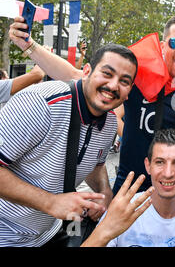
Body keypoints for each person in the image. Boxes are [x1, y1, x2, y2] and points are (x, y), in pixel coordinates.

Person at [2, 20, 138, 246]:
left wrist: (104, 190)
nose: (113, 86)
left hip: (47, 233)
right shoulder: (41, 103)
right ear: (86, 72)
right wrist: (51, 203)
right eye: (107, 73)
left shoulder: (111, 124)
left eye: (124, 81)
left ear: (129, 91)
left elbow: (96, 164)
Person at [81, 128, 175, 247]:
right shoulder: (123, 209)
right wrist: (105, 230)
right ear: (148, 165)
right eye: (160, 162)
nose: (168, 173)